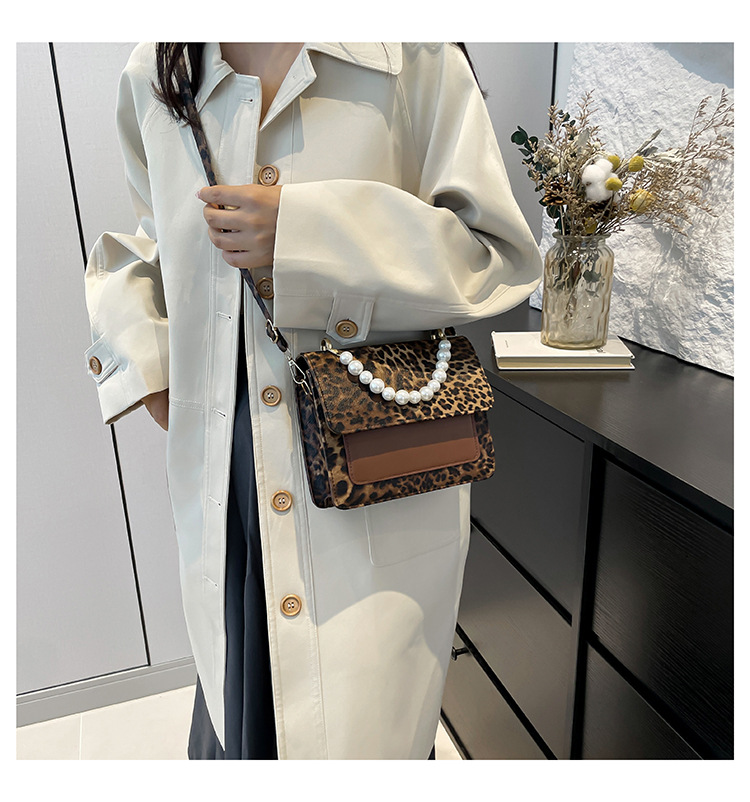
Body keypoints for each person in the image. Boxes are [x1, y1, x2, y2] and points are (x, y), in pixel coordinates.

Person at [83, 41, 543, 760]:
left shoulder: (411, 54)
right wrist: (148, 362)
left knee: (362, 716)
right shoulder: (161, 67)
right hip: (229, 464)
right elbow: (149, 237)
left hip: (370, 458)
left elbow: (496, 254)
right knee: (248, 690)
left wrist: (307, 234)